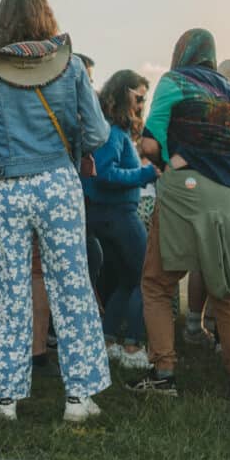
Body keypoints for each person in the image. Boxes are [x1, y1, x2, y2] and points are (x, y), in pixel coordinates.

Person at [0, 0, 111, 422]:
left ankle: (6, 398)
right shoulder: (73, 66)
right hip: (58, 184)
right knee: (72, 285)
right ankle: (78, 398)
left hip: (4, 186)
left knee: (8, 290)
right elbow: (99, 135)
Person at [126, 29, 230, 402]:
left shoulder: (175, 81)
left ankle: (163, 374)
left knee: (157, 283)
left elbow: (150, 142)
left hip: (181, 191)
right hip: (225, 197)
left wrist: (171, 163)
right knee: (228, 291)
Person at [84, 69, 157, 369]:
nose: (141, 104)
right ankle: (133, 348)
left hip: (105, 215)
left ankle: (109, 339)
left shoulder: (110, 130)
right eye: (138, 97)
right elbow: (103, 173)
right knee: (147, 277)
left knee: (128, 280)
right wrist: (146, 173)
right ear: (123, 93)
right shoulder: (113, 132)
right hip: (118, 214)